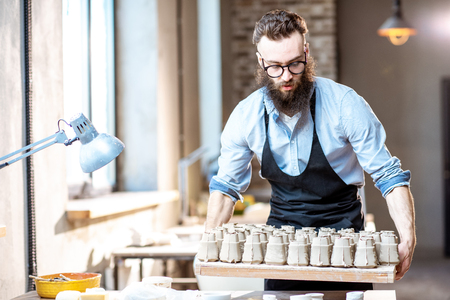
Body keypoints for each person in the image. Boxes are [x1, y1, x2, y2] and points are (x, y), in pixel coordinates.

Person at [205, 9, 416, 291]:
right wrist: (209, 242)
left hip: (345, 241)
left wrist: (408, 236)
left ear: (306, 52)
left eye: (295, 64)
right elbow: (226, 187)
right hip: (281, 247)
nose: (286, 76)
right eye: (275, 67)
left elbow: (389, 176)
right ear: (260, 61)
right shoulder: (246, 116)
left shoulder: (344, 105)